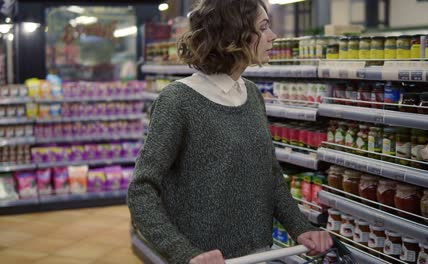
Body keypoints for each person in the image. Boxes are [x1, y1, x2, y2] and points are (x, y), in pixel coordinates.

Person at [127, 0, 333, 263]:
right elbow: (141, 190)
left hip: (259, 254)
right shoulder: (177, 101)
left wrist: (301, 227)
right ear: (234, 34)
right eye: (264, 27)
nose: (273, 36)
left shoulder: (252, 95)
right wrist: (185, 253)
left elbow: (269, 175)